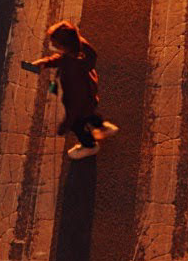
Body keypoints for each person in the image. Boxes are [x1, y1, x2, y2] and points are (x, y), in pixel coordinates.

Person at [21, 19, 118, 160]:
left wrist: (66, 125)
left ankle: (89, 145)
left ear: (65, 47)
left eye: (55, 44)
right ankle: (102, 127)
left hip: (79, 103)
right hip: (89, 96)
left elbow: (74, 105)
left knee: (78, 126)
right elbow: (64, 59)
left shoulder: (73, 71)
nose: (52, 45)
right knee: (89, 113)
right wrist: (45, 63)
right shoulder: (80, 48)